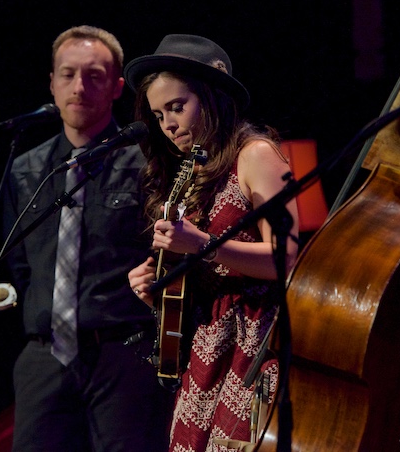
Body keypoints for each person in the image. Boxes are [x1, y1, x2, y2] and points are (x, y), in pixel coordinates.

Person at [124, 34, 299, 452]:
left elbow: (288, 257)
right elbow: (201, 281)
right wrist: (158, 292)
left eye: (177, 106)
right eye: (157, 113)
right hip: (206, 349)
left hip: (254, 342)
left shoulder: (255, 154)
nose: (167, 124)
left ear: (211, 96)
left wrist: (203, 245)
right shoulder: (193, 173)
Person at [2, 25, 171, 452]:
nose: (79, 87)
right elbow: (19, 265)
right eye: (68, 74)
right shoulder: (26, 169)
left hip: (123, 354)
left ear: (116, 87)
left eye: (94, 76)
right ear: (52, 84)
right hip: (44, 356)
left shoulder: (147, 163)